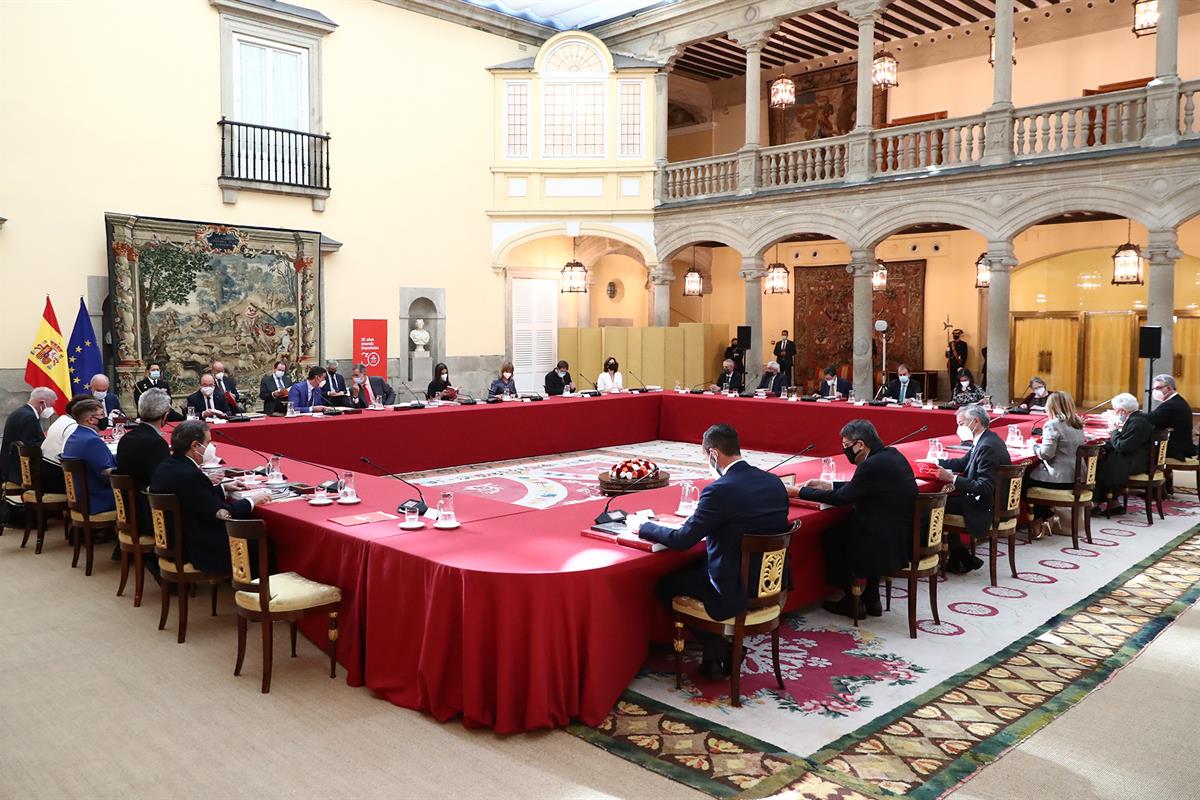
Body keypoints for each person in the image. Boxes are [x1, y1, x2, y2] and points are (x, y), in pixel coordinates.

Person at [638, 424, 790, 679]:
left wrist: (645, 526)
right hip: (770, 584)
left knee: (665, 585)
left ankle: (718, 646)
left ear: (714, 454)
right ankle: (714, 653)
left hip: (732, 590)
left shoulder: (720, 490)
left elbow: (682, 540)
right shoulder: (773, 482)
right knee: (695, 570)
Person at [790, 419, 916, 619]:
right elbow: (862, 487)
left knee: (834, 533)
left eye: (846, 446)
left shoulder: (871, 465)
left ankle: (851, 600)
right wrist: (828, 485)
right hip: (897, 533)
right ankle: (872, 597)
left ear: (860, 444)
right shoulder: (891, 455)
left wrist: (799, 491)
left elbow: (842, 498)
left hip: (880, 538)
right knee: (848, 525)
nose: (845, 451)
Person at [149, 420, 271, 574]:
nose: (212, 447)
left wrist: (222, 488)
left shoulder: (168, 465)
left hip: (173, 539)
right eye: (208, 442)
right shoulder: (191, 475)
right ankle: (254, 589)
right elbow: (222, 514)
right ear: (195, 446)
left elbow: (193, 497)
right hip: (195, 547)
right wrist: (252, 501)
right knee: (260, 538)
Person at [935, 404, 1010, 574]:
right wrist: (937, 462)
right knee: (945, 501)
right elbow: (964, 463)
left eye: (961, 424)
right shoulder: (986, 439)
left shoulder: (987, 446)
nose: (959, 428)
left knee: (936, 506)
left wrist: (952, 478)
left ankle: (935, 556)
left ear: (975, 422)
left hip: (987, 505)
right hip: (988, 499)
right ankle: (960, 556)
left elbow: (984, 487)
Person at [115, 388, 172, 559]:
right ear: (165, 415)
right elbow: (163, 484)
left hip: (129, 509)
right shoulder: (155, 443)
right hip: (149, 514)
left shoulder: (126, 438)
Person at [1024, 391, 1086, 538]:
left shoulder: (1052, 425)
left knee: (1023, 482)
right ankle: (1045, 517)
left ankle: (1043, 517)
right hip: (1078, 478)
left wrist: (1033, 446)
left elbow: (1046, 454)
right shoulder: (1077, 423)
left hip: (1060, 479)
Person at [1, 387, 58, 528]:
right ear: (42, 402)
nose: (52, 410)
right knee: (57, 475)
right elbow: (31, 448)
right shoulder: (29, 417)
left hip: (10, 466)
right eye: (51, 405)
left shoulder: (20, 412)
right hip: (18, 470)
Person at [1094, 392, 1153, 516]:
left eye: (1115, 410)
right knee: (1104, 457)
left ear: (1121, 411)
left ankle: (1099, 503)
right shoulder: (1136, 418)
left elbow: (1122, 446)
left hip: (1136, 462)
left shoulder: (1137, 423)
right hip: (1135, 456)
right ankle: (1110, 503)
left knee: (1099, 464)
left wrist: (1114, 430)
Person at [61, 398, 116, 515]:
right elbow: (107, 476)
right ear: (91, 420)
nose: (104, 418)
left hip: (79, 498)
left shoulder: (74, 436)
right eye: (101, 415)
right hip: (98, 500)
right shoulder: (92, 441)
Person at [1148, 374, 1197, 462]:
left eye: (1158, 388)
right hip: (1178, 446)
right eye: (1153, 389)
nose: (1154, 391)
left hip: (1176, 449)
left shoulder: (1172, 405)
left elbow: (1152, 418)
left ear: (1169, 388)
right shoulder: (1176, 401)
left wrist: (1132, 413)